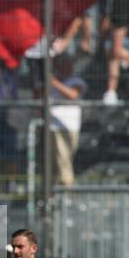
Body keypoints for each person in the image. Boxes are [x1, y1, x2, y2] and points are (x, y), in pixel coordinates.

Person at [50, 55, 87, 188]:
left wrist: (54, 83)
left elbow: (73, 94)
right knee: (58, 161)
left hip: (69, 126)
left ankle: (65, 189)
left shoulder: (76, 81)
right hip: (53, 127)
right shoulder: (52, 82)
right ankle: (61, 188)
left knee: (65, 159)